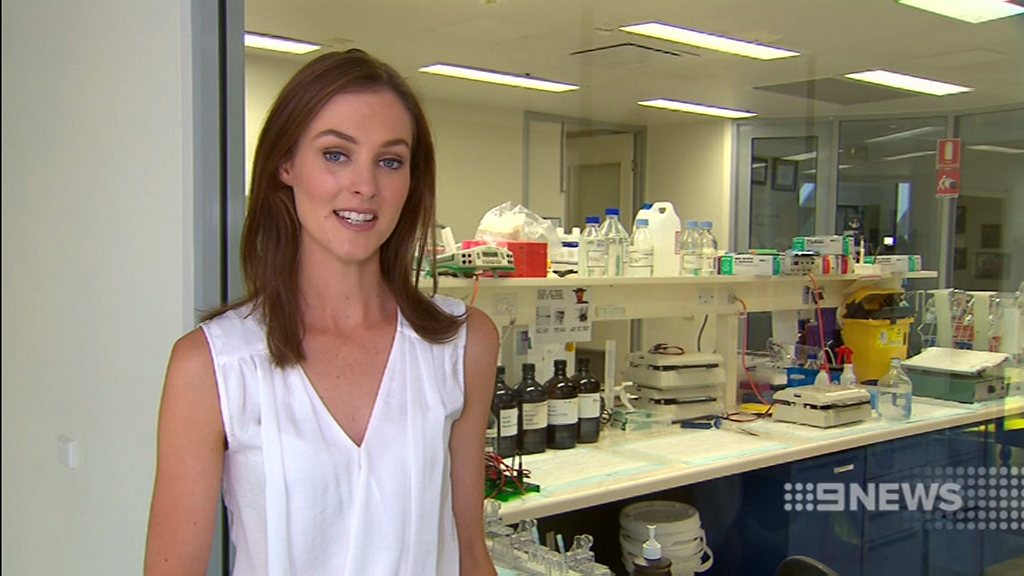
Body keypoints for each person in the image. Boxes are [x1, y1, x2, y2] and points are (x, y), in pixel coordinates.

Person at [144, 49, 499, 576]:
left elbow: (469, 551)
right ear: (285, 165)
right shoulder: (213, 365)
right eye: (336, 154)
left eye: (390, 161)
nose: (365, 186)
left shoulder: (463, 344)